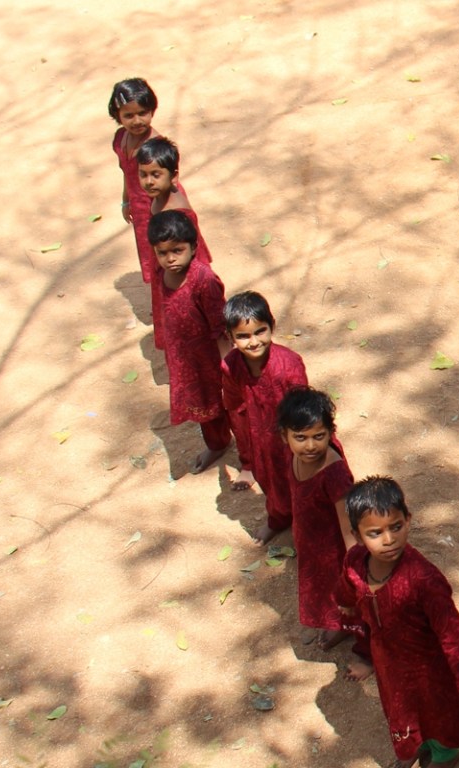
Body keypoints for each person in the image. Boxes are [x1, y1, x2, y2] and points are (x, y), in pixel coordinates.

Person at [338, 476, 459, 767]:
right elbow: (347, 590)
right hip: (389, 666)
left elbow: (453, 639)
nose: (389, 539)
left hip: (431, 672)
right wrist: (348, 605)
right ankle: (415, 743)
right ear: (357, 535)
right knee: (401, 709)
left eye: (396, 527)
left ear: (408, 520)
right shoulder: (354, 563)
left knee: (438, 714)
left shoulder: (424, 581)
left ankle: (445, 754)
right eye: (375, 533)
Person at [218, 291, 311, 545]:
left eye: (260, 331)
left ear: (272, 327)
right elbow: (235, 406)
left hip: (296, 438)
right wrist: (248, 455)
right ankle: (278, 519)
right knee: (271, 481)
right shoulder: (231, 366)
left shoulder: (289, 365)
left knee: (303, 483)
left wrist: (302, 443)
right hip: (261, 438)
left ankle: (307, 527)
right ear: (230, 337)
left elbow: (304, 409)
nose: (253, 342)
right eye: (243, 336)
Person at [147, 210, 229, 474]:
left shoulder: (203, 280)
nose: (170, 259)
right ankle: (217, 444)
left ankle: (249, 460)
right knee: (204, 406)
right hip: (184, 359)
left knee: (228, 403)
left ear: (193, 248)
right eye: (162, 252)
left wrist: (228, 367)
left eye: (177, 250)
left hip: (210, 358)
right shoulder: (161, 273)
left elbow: (220, 328)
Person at [278, 387, 355, 648]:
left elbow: (348, 528)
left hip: (334, 551)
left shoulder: (334, 474)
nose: (310, 446)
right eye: (300, 437)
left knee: (341, 592)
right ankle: (336, 622)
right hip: (310, 543)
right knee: (322, 588)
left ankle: (348, 628)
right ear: (285, 436)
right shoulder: (291, 455)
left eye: (318, 436)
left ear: (330, 433)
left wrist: (354, 568)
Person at [135, 137, 214, 343]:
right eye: (143, 174)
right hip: (166, 267)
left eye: (156, 175)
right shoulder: (159, 195)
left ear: (173, 176)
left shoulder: (178, 212)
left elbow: (193, 253)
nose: (149, 181)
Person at [107, 78, 163, 288]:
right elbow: (127, 172)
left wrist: (164, 218)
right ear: (118, 116)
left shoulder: (156, 147)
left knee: (168, 258)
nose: (137, 120)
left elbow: (169, 185)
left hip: (158, 209)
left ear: (152, 111)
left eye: (142, 113)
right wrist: (126, 201)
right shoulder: (121, 138)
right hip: (140, 211)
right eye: (129, 115)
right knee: (152, 257)